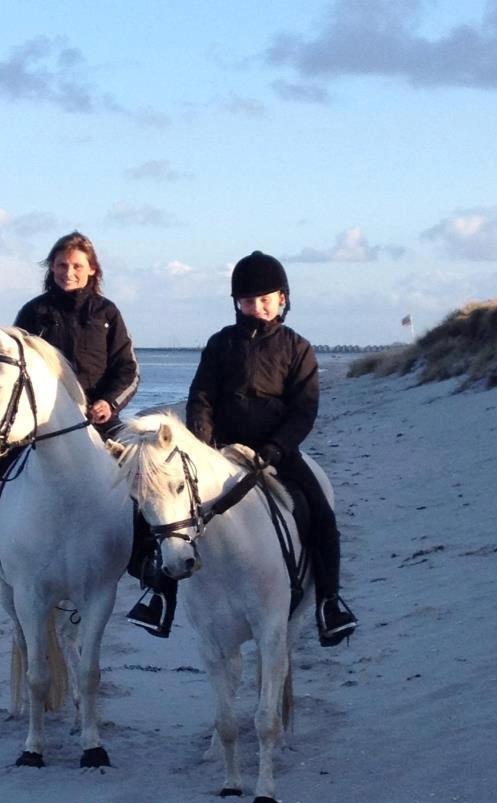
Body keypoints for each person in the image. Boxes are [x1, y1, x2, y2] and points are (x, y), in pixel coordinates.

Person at [129, 250, 356, 646]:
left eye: (266, 299)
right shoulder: (220, 344)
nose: (257, 307)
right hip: (219, 452)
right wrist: (203, 441)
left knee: (320, 513)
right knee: (164, 507)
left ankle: (329, 601)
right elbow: (201, 396)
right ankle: (159, 597)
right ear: (237, 303)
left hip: (277, 452)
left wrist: (277, 448)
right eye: (249, 301)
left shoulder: (298, 349)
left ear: (282, 299)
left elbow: (304, 409)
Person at [0, 231, 140, 583]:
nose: (69, 272)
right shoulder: (35, 312)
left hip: (98, 420)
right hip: (41, 423)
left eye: (77, 265)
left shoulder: (107, 313)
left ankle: (146, 562)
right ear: (52, 268)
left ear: (92, 269)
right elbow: (9, 368)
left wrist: (109, 402)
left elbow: (128, 369)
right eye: (61, 265)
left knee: (144, 477)